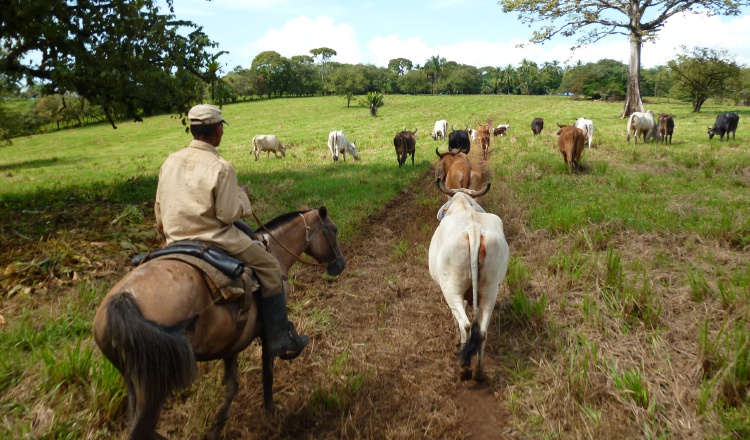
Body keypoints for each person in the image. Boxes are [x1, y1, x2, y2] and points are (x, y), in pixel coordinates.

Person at [153, 104, 308, 360]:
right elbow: (227, 214)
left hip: (174, 239)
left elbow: (159, 212)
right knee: (270, 268)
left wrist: (167, 233)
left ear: (192, 130)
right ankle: (279, 336)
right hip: (216, 239)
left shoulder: (169, 161)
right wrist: (242, 197)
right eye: (221, 128)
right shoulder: (221, 167)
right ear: (217, 131)